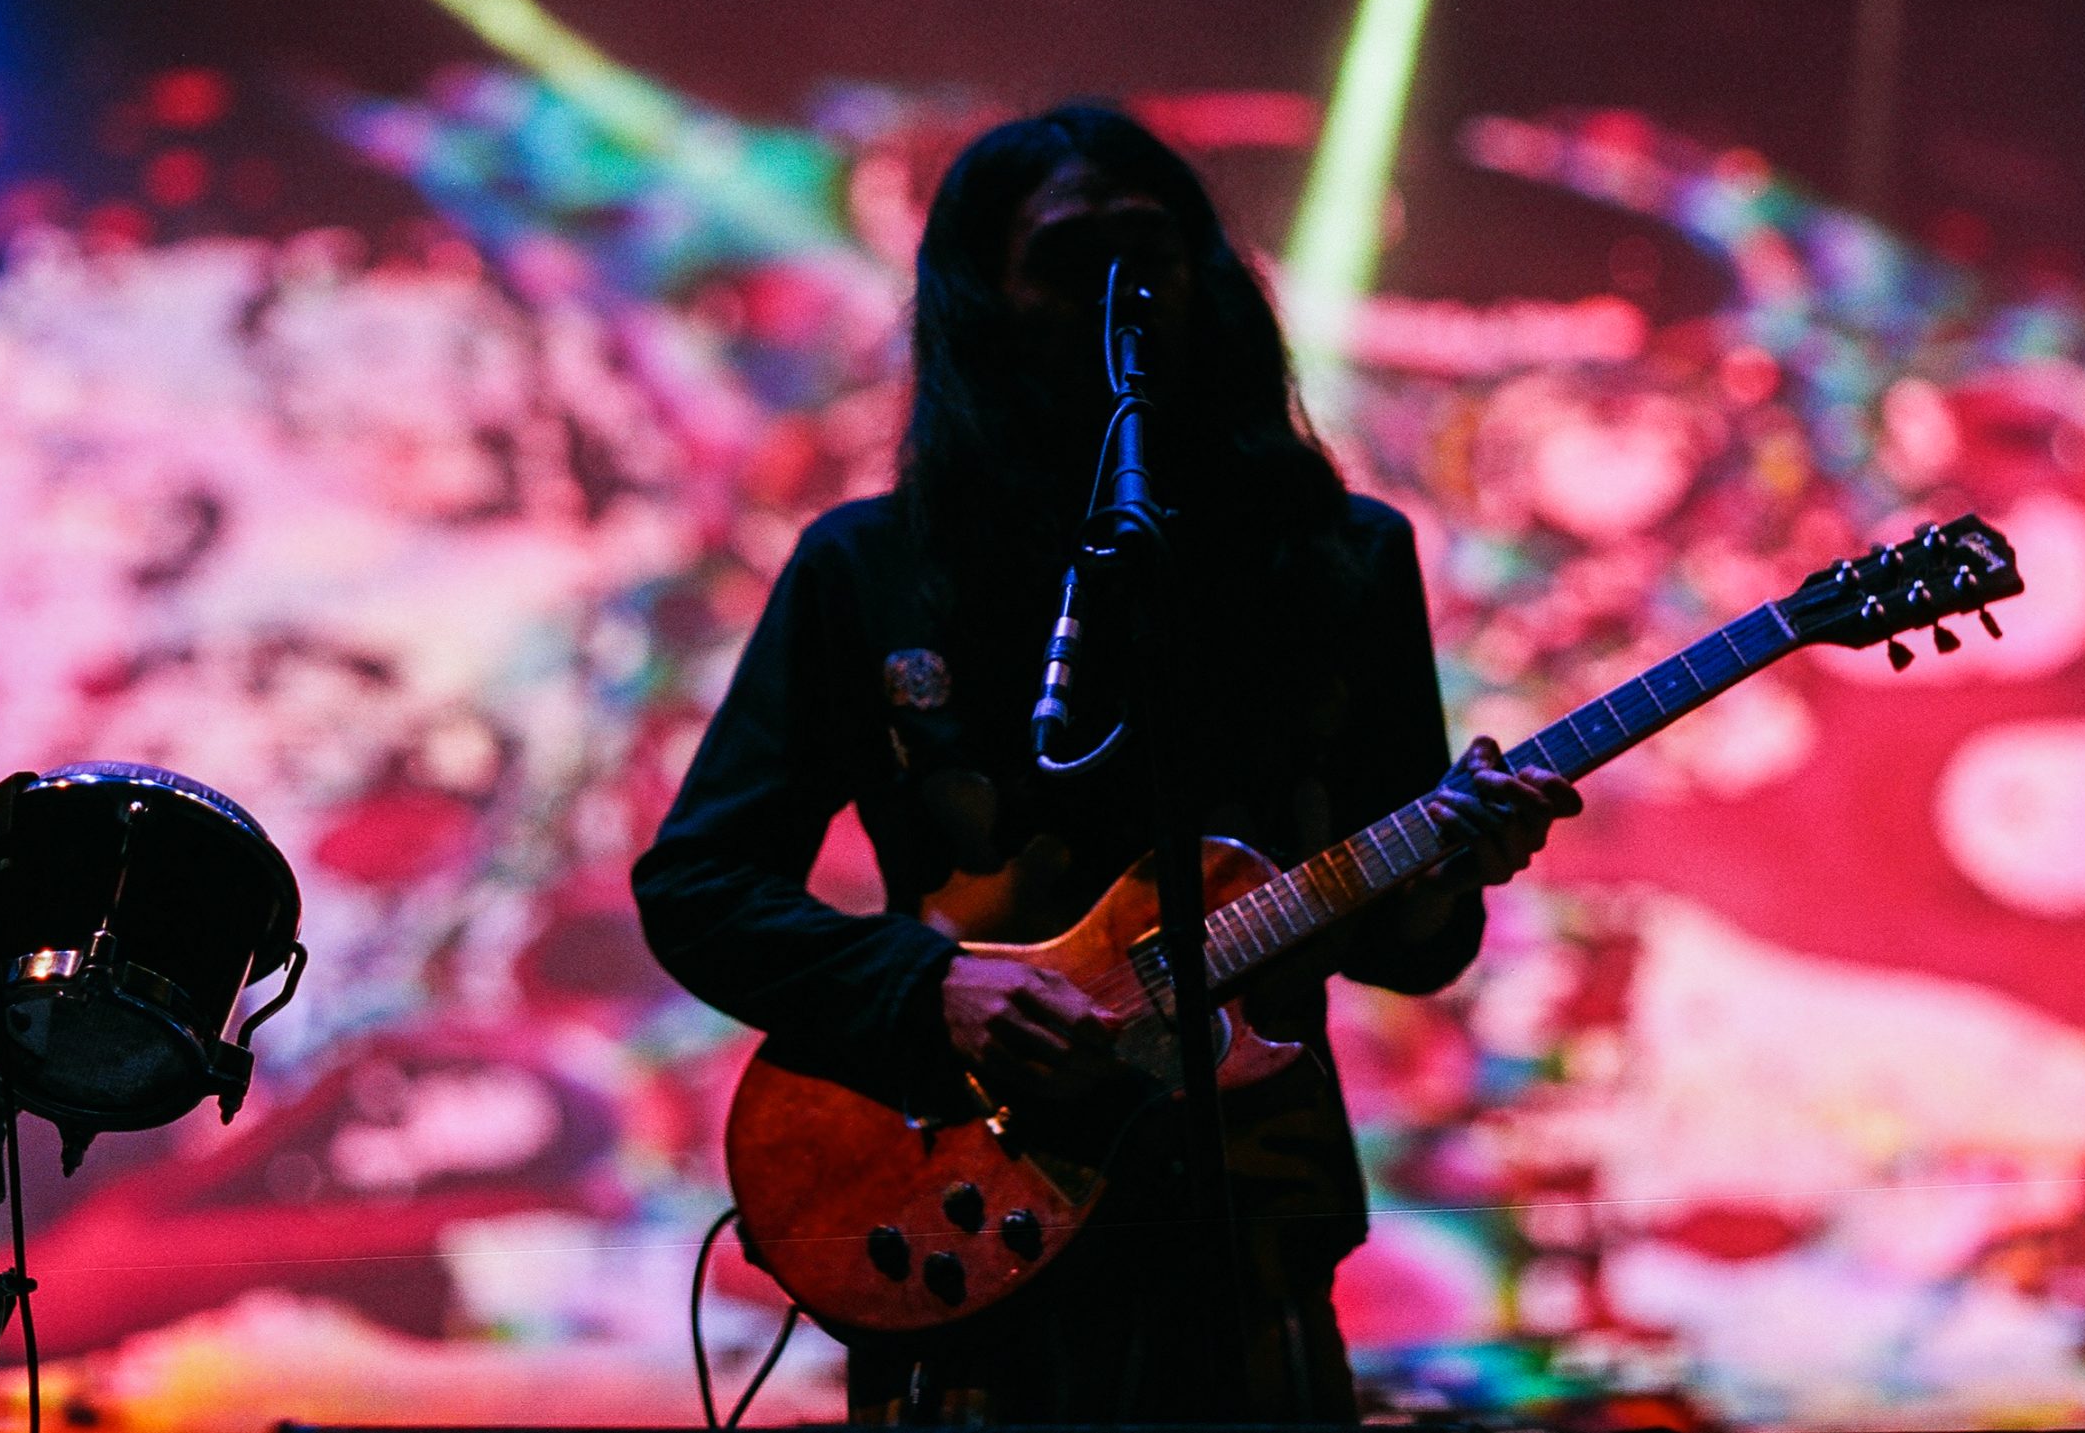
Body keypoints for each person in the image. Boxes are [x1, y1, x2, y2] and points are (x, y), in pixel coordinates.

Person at [634, 105, 1580, 1422]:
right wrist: (929, 988)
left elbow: (1412, 950)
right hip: (969, 1225)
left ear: (1207, 278)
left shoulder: (1342, 559)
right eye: (1071, 260)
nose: (1120, 294)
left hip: (1245, 1220)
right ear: (986, 299)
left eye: (1150, 252)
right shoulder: (871, 569)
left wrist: (1452, 867)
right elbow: (699, 885)